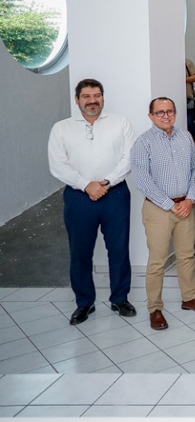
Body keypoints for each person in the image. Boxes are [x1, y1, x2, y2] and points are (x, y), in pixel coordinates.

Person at [48, 79, 136, 326]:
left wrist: (106, 182)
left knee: (119, 249)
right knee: (80, 252)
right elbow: (58, 164)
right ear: (77, 99)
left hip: (114, 194)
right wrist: (86, 184)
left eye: (96, 95)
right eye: (86, 96)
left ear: (103, 98)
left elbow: (129, 156)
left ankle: (120, 298)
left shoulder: (120, 122)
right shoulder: (62, 128)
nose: (92, 100)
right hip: (79, 197)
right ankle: (84, 302)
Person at [184, 58, 195, 141]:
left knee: (190, 123)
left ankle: (194, 143)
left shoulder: (186, 62)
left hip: (189, 98)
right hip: (169, 99)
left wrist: (183, 80)